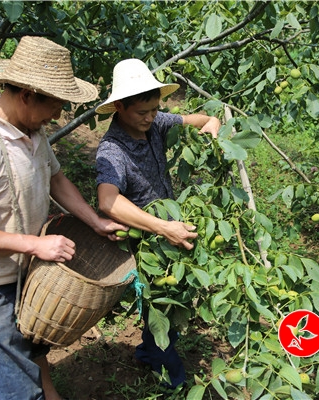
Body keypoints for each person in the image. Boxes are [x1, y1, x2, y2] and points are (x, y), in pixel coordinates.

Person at [0, 36, 126, 400]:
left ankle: (49, 393)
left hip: (27, 268)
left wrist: (95, 221)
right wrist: (34, 244)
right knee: (16, 369)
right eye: (55, 106)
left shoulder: (32, 131)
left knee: (34, 342)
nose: (57, 116)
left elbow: (56, 179)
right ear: (27, 95)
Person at [94, 58, 221, 388]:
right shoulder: (112, 149)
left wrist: (212, 122)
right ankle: (171, 381)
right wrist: (163, 227)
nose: (150, 117)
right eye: (142, 112)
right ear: (119, 107)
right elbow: (108, 201)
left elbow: (197, 119)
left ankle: (148, 353)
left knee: (171, 302)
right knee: (160, 311)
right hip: (147, 243)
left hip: (170, 234)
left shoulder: (154, 123)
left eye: (154, 109)